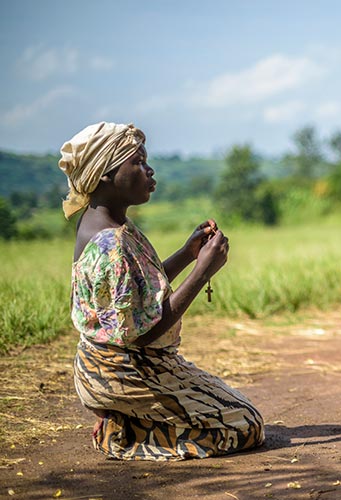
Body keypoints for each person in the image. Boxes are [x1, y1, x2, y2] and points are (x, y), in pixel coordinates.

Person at [58, 122, 264, 460]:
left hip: (116, 363)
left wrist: (187, 254)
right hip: (124, 369)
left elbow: (136, 296)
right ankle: (122, 434)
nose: (148, 170)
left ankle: (129, 415)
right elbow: (140, 334)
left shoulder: (108, 223)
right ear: (105, 173)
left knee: (238, 408)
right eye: (137, 162)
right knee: (246, 426)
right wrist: (202, 272)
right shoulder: (111, 242)